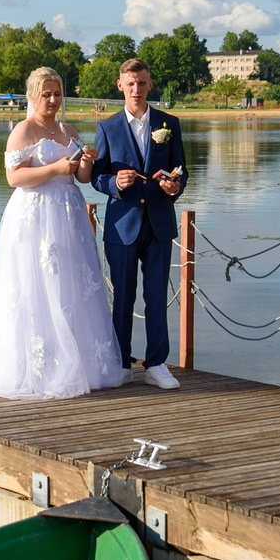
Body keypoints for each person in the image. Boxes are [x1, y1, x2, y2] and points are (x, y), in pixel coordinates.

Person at [0, 67, 127, 400]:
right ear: (33, 96)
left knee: (70, 285)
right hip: (36, 215)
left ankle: (80, 363)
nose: (54, 100)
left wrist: (86, 160)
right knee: (34, 284)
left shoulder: (67, 129)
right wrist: (56, 168)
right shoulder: (23, 131)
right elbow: (14, 178)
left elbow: (83, 178)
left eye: (57, 94)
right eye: (47, 95)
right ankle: (31, 366)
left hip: (68, 213)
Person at [90, 56, 188, 388]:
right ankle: (120, 363)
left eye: (141, 83)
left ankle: (157, 363)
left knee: (157, 296)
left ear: (149, 84)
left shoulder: (169, 124)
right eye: (130, 84)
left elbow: (181, 170)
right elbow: (96, 177)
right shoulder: (107, 127)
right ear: (120, 86)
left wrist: (175, 186)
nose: (136, 89)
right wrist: (115, 184)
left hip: (159, 223)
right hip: (122, 226)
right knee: (123, 297)